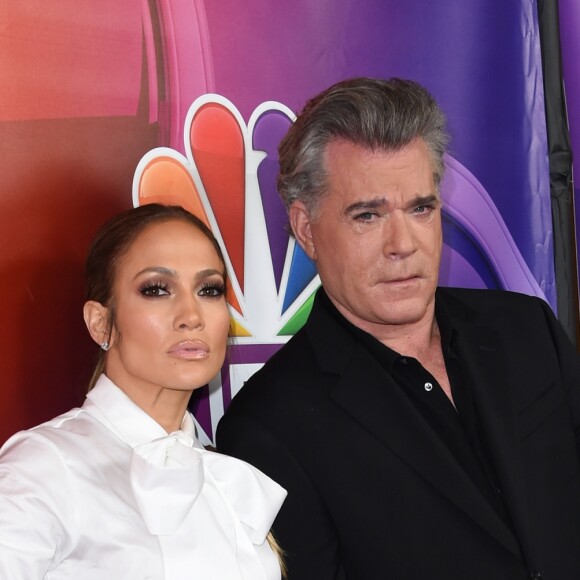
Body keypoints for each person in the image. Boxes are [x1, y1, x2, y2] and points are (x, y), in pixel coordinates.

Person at [217, 77, 580, 580]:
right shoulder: (269, 428)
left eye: (420, 208)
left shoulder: (525, 328)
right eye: (368, 215)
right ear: (306, 230)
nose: (403, 244)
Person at [0, 203, 287, 579]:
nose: (191, 315)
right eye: (156, 289)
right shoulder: (46, 467)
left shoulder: (224, 479)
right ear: (101, 324)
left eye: (209, 289)